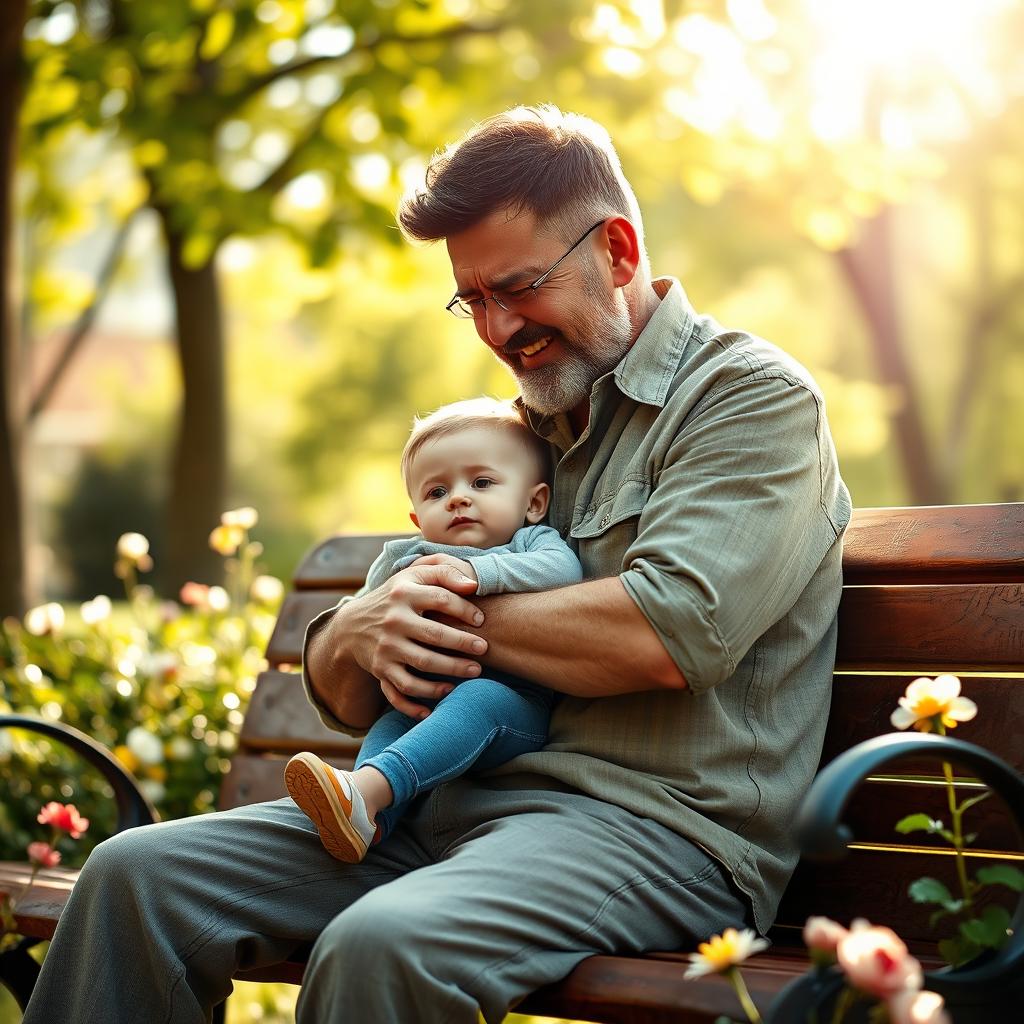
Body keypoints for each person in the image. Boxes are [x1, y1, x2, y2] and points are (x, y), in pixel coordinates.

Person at [23, 104, 851, 1024]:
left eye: (519, 287)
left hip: (653, 835)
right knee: (134, 875)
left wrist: (429, 613)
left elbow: (670, 632)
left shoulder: (745, 399)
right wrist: (364, 630)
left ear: (616, 251)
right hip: (441, 815)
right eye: (473, 301)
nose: (497, 329)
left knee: (382, 947)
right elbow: (346, 685)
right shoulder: (515, 429)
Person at [284, 397, 582, 862]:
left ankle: (366, 792)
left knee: (478, 700)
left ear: (534, 502)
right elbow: (368, 618)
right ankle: (367, 817)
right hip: (426, 701)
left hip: (515, 712)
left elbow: (563, 571)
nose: (458, 498)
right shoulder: (406, 559)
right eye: (436, 492)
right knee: (392, 722)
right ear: (417, 519)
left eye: (481, 482)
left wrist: (478, 575)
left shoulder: (530, 542)